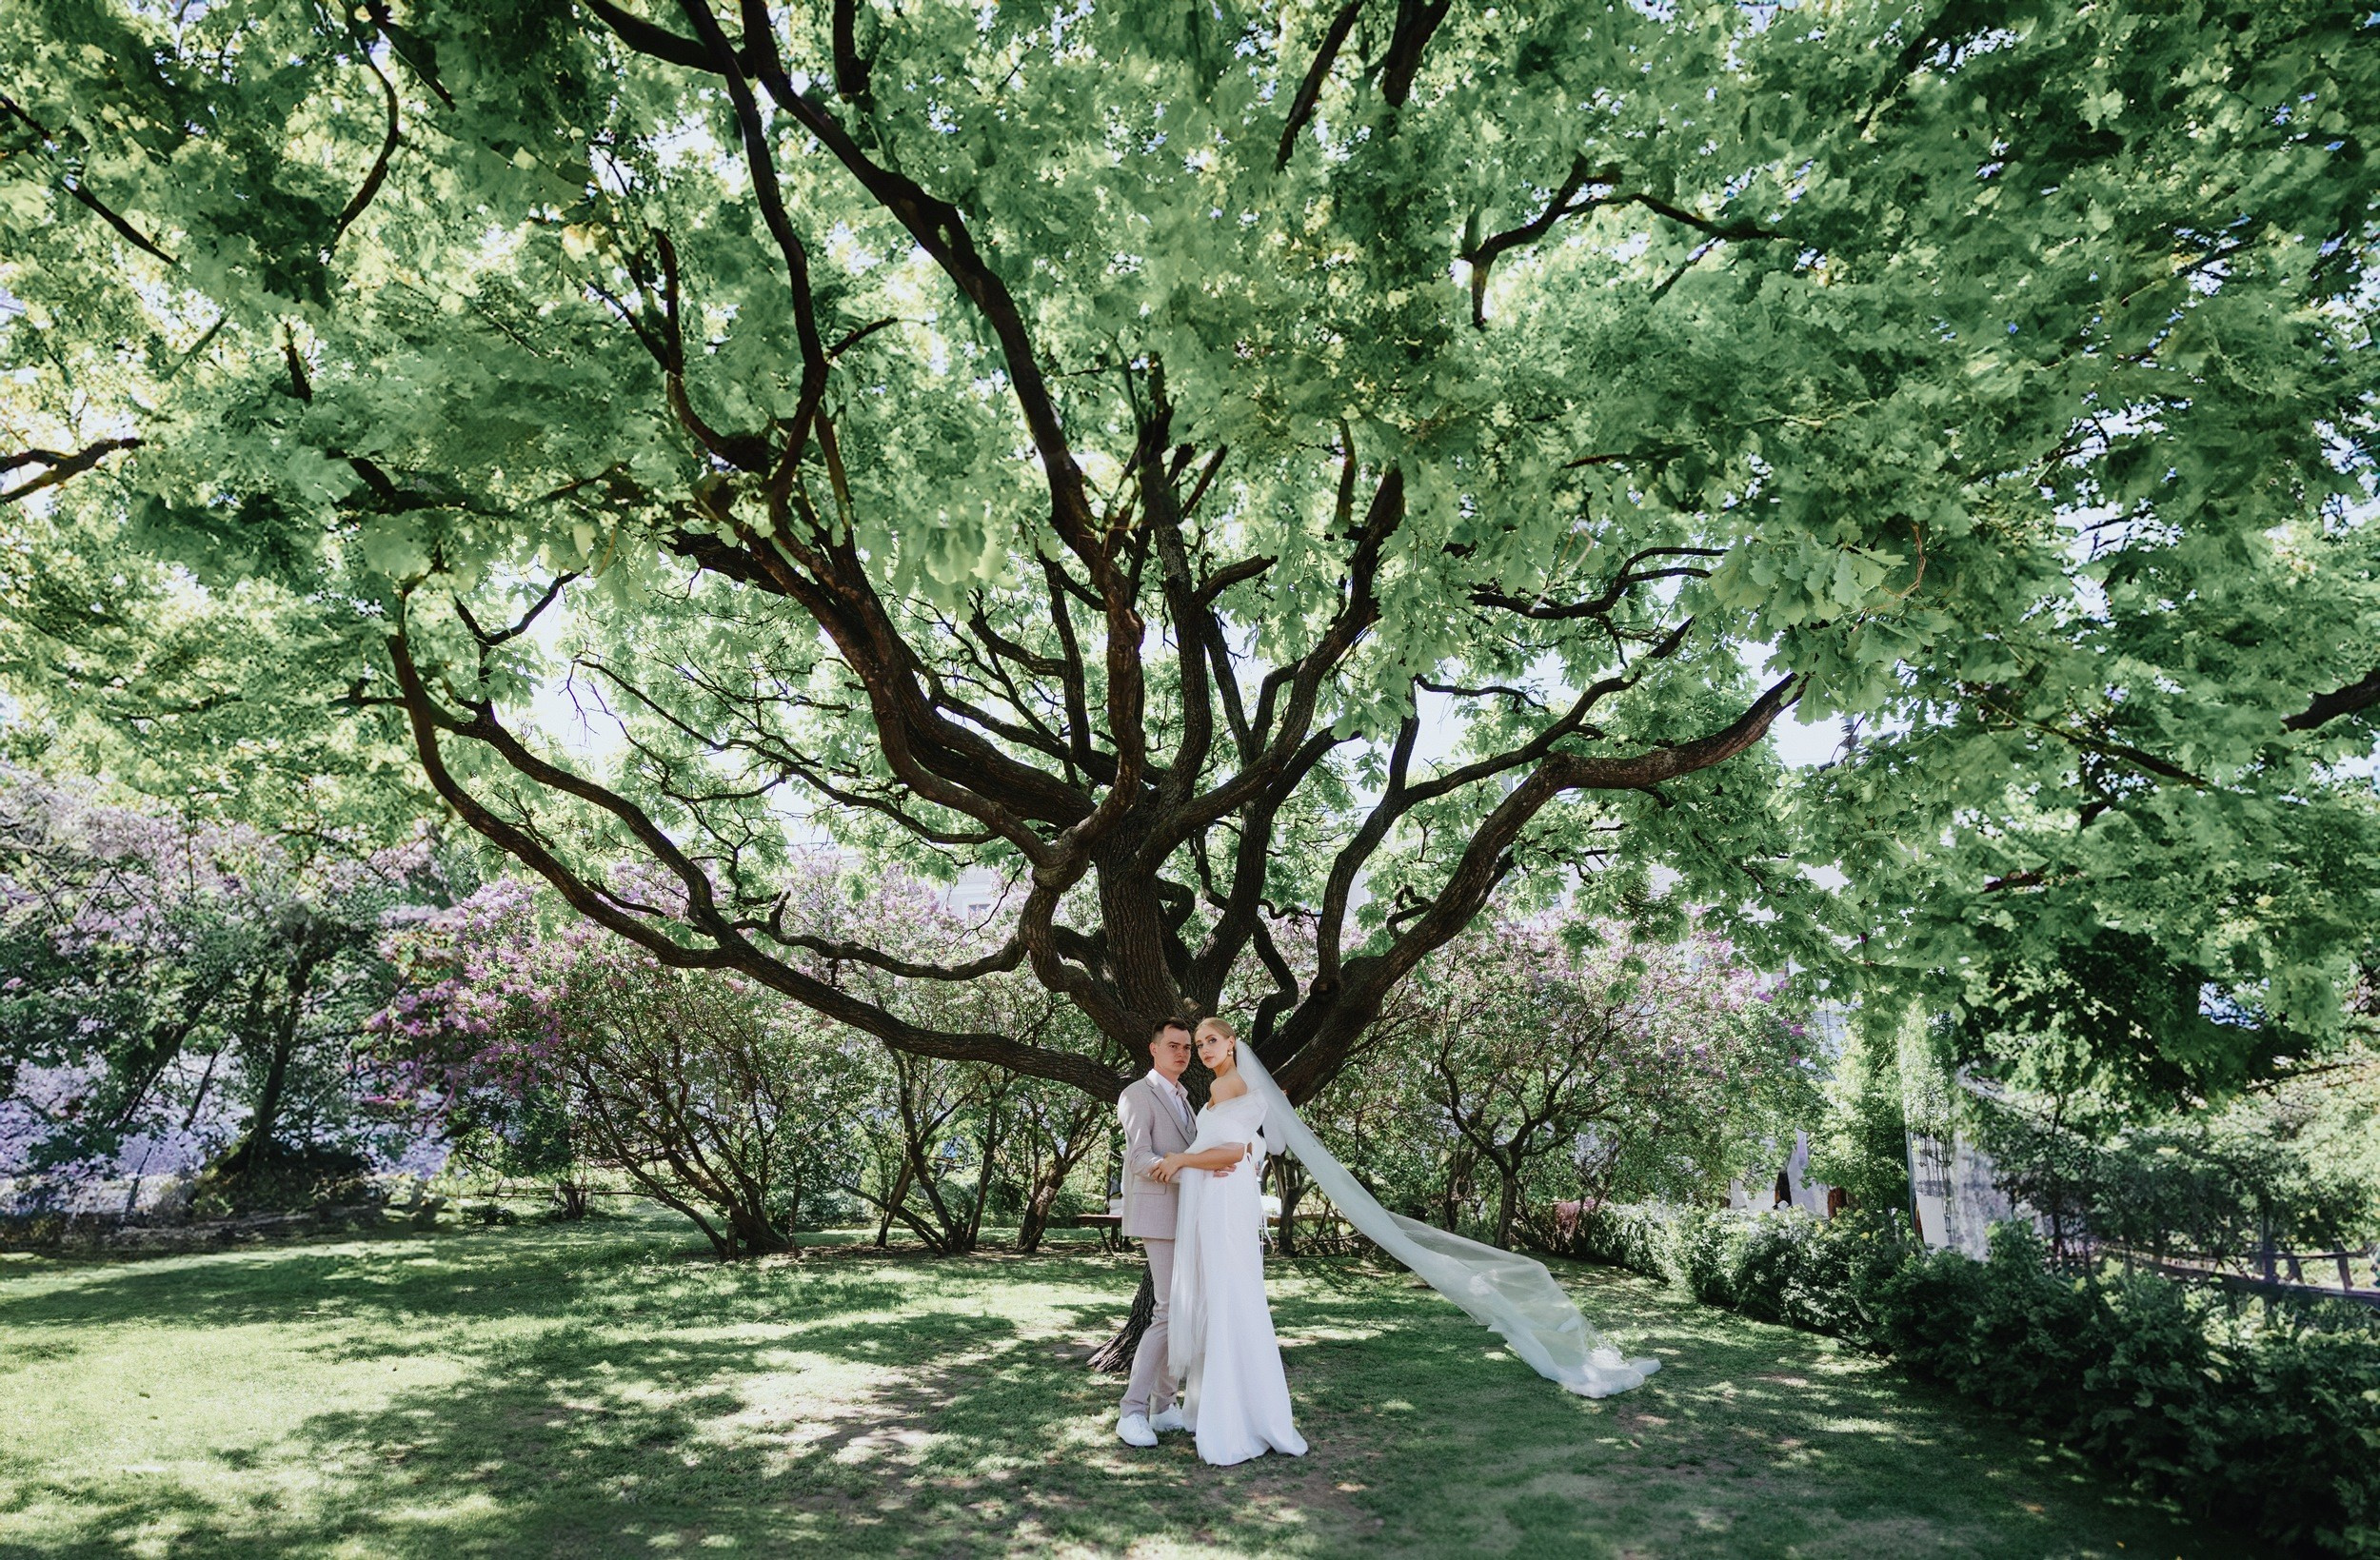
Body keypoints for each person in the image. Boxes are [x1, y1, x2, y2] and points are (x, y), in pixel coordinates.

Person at [1154, 1016, 1308, 1466]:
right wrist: (1231, 1154)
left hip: (1222, 1203)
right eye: (1199, 1043)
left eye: (1211, 1041)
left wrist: (1182, 1158)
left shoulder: (1225, 1088)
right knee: (1232, 1296)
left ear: (1232, 1042)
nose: (1202, 1050)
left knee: (1224, 1297)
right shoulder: (1232, 1086)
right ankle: (1232, 1408)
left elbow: (1231, 1152)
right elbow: (1251, 1147)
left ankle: (1233, 1420)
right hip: (1222, 1197)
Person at [1114, 1017, 1236, 1448]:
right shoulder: (1136, 1095)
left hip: (1191, 1216)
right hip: (1159, 1215)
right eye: (1173, 1046)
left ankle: (1164, 1407)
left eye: (1187, 1047)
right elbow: (1139, 1157)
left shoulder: (1187, 1098)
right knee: (1166, 1312)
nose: (1182, 1053)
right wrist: (1190, 1173)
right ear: (1154, 1049)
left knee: (1183, 1312)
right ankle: (1131, 1412)